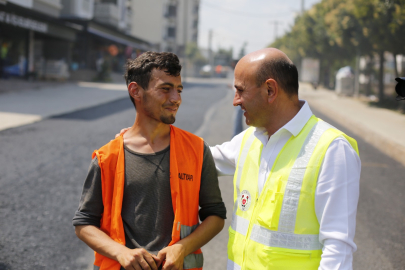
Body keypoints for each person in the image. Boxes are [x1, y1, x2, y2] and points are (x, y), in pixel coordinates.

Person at [73, 51, 226, 270]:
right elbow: (83, 223)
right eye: (165, 89)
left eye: (179, 90)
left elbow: (216, 215)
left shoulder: (196, 149)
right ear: (135, 90)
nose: (176, 98)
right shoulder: (107, 157)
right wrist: (121, 253)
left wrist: (182, 247)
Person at [210, 48, 360, 269]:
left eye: (240, 90)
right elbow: (199, 159)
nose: (236, 101)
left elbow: (338, 250)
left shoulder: (332, 149)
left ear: (270, 90)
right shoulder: (250, 139)